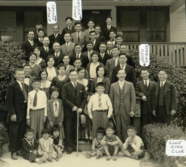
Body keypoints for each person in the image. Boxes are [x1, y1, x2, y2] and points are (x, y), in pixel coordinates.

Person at [62, 69, 87, 154]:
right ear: (69, 76)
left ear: (77, 76)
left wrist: (81, 108)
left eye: (75, 75)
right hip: (69, 111)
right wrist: (72, 106)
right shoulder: (65, 86)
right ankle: (69, 146)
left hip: (78, 111)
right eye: (71, 75)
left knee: (76, 128)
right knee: (68, 129)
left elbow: (84, 98)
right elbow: (64, 98)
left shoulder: (81, 86)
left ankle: (75, 145)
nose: (73, 77)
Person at [6, 68, 28, 160]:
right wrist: (12, 114)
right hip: (15, 114)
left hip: (23, 114)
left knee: (21, 132)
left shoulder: (26, 86)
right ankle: (13, 151)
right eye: (19, 74)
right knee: (14, 133)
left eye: (22, 74)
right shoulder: (12, 86)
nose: (21, 76)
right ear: (15, 76)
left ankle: (18, 148)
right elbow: (9, 101)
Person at [110, 69, 136, 142]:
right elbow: (111, 99)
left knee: (126, 127)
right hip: (116, 109)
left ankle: (127, 143)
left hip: (126, 109)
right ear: (117, 75)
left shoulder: (130, 84)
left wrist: (132, 110)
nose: (121, 75)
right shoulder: (113, 85)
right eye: (120, 74)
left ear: (125, 75)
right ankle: (118, 144)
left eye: (123, 73)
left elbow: (133, 98)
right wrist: (111, 111)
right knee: (117, 127)